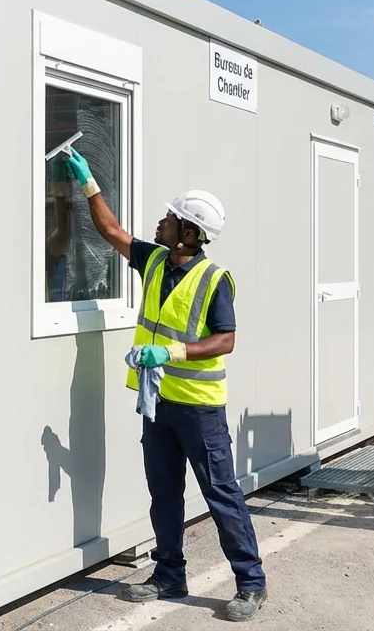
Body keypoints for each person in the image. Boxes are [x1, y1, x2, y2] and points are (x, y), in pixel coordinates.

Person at [60, 148, 267, 623]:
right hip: (158, 403)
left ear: (189, 233)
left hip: (198, 407)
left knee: (221, 493)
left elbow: (226, 339)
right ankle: (169, 574)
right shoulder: (154, 261)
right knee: (163, 491)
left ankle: (251, 583)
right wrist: (90, 184)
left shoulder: (214, 280)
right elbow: (112, 232)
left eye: (170, 218)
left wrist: (171, 353)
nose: (161, 221)